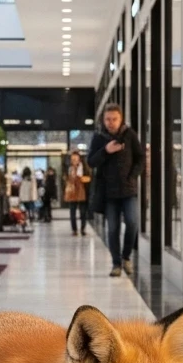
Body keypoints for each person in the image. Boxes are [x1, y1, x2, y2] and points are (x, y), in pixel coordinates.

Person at [88, 101, 144, 277]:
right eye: (107, 119)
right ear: (103, 120)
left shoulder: (130, 135)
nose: (111, 122)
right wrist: (106, 150)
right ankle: (116, 263)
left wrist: (133, 175)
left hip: (128, 190)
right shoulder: (99, 138)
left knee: (133, 222)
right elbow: (91, 162)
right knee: (112, 229)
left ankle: (126, 256)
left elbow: (140, 158)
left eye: (114, 119)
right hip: (108, 193)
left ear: (121, 119)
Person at [64, 151, 89, 235]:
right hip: (72, 191)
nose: (74, 160)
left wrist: (81, 179)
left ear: (79, 159)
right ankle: (74, 229)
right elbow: (65, 178)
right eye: (72, 159)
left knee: (83, 212)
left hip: (82, 190)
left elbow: (89, 178)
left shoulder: (84, 167)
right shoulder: (69, 168)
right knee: (72, 212)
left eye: (75, 158)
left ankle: (83, 228)